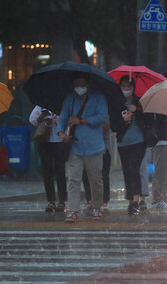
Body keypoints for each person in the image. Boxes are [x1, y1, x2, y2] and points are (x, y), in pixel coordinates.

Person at [58, 73, 109, 222]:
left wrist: (81, 121)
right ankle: (73, 210)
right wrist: (61, 133)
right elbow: (63, 116)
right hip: (74, 145)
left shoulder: (98, 97)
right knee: (73, 178)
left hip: (94, 146)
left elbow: (102, 117)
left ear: (87, 84)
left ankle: (97, 206)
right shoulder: (70, 98)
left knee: (95, 179)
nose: (79, 87)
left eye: (82, 84)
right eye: (76, 84)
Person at [113, 76, 147, 215]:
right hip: (123, 143)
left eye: (129, 86)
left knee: (134, 168)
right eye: (124, 86)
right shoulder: (116, 103)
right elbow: (114, 125)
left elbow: (147, 120)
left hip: (138, 141)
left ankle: (135, 201)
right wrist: (123, 119)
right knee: (127, 171)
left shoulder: (139, 102)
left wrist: (137, 111)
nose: (126, 89)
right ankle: (130, 200)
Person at [30, 105, 67, 213]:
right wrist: (42, 116)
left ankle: (62, 200)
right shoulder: (42, 106)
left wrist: (57, 120)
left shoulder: (62, 105)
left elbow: (68, 119)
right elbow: (32, 119)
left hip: (59, 141)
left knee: (60, 171)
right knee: (47, 171)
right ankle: (51, 200)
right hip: (45, 140)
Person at [145, 113, 167, 209]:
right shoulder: (156, 112)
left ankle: (164, 197)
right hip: (159, 142)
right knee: (160, 172)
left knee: (166, 173)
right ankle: (157, 199)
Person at [82, 124, 112, 211]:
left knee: (103, 175)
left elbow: (107, 126)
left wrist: (92, 125)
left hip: (104, 149)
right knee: (86, 174)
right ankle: (89, 198)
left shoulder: (104, 112)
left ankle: (104, 198)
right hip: (87, 148)